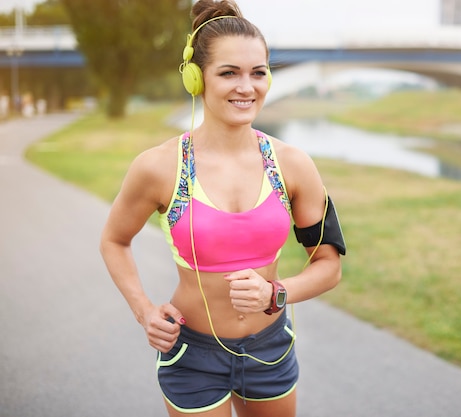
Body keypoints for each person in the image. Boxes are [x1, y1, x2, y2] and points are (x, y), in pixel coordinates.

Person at [99, 1, 345, 416]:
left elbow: (328, 265)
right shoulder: (158, 167)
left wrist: (276, 293)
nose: (246, 87)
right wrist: (144, 310)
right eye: (229, 73)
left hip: (270, 350)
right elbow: (114, 240)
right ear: (196, 79)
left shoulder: (294, 165)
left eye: (258, 73)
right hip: (191, 353)